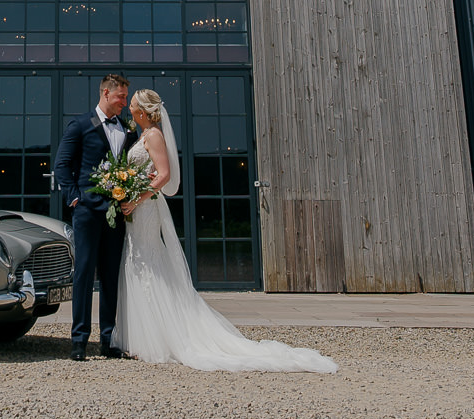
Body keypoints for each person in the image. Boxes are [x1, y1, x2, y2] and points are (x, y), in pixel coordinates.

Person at [112, 89, 337, 374]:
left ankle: (157, 339)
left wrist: (137, 198)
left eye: (131, 104)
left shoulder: (154, 136)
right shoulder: (143, 135)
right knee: (138, 262)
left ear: (142, 111)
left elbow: (165, 174)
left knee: (147, 264)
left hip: (145, 210)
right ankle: (141, 336)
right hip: (138, 210)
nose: (128, 106)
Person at [53, 72, 133, 361]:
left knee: (111, 277)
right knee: (84, 275)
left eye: (125, 96)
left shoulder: (126, 128)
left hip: (116, 214)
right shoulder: (80, 125)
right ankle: (79, 340)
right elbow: (61, 165)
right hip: (87, 212)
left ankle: (108, 340)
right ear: (105, 94)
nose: (125, 102)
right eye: (121, 96)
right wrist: (75, 198)